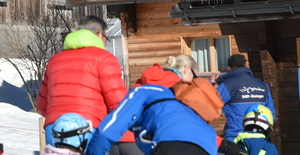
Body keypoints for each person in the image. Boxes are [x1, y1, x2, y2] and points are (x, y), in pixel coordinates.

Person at [84, 55, 235, 155]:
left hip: (168, 146)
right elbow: (192, 129)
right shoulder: (184, 99)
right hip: (206, 147)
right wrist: (227, 146)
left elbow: (108, 130)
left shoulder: (144, 91)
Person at [36, 15, 128, 146]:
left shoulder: (54, 61)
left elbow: (42, 105)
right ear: (99, 34)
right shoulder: (104, 58)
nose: (106, 42)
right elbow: (119, 103)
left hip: (54, 129)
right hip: (88, 127)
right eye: (105, 38)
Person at [212, 54, 276, 141]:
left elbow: (209, 103)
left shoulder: (228, 85)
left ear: (229, 68)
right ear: (246, 65)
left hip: (235, 136)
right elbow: (271, 114)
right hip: (259, 137)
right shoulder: (263, 85)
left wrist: (211, 83)